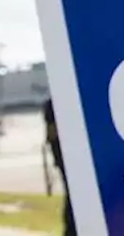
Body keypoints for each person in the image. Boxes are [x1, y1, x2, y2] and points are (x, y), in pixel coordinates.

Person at [43, 97, 77, 236]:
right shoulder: (54, 105)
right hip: (68, 161)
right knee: (73, 202)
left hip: (68, 159)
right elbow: (52, 134)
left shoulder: (53, 104)